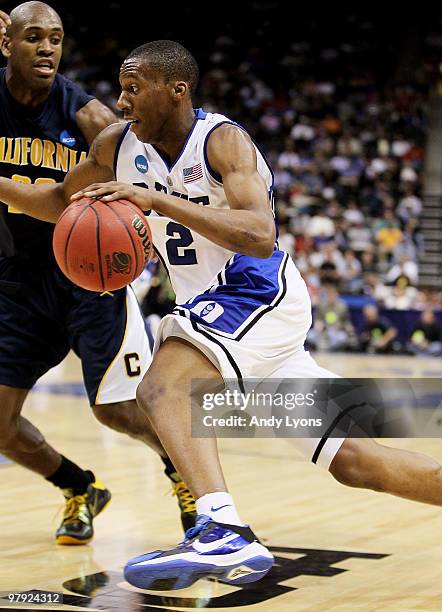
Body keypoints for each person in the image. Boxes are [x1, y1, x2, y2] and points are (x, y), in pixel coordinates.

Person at [3, 40, 442, 592]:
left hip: (257, 291)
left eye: (135, 89)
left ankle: (222, 528)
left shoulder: (222, 141)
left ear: (176, 91)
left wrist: (155, 201)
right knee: (355, 463)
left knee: (162, 386)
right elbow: (60, 202)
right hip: (221, 313)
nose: (121, 101)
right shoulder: (117, 144)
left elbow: (260, 236)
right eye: (122, 88)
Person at [0, 5, 196, 547]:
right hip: (15, 283)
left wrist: (144, 232)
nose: (46, 49)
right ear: (6, 44)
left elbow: (141, 171)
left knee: (117, 411)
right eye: (33, 37)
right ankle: (79, 488)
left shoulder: (87, 116)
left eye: (56, 39)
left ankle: (186, 477)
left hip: (89, 279)